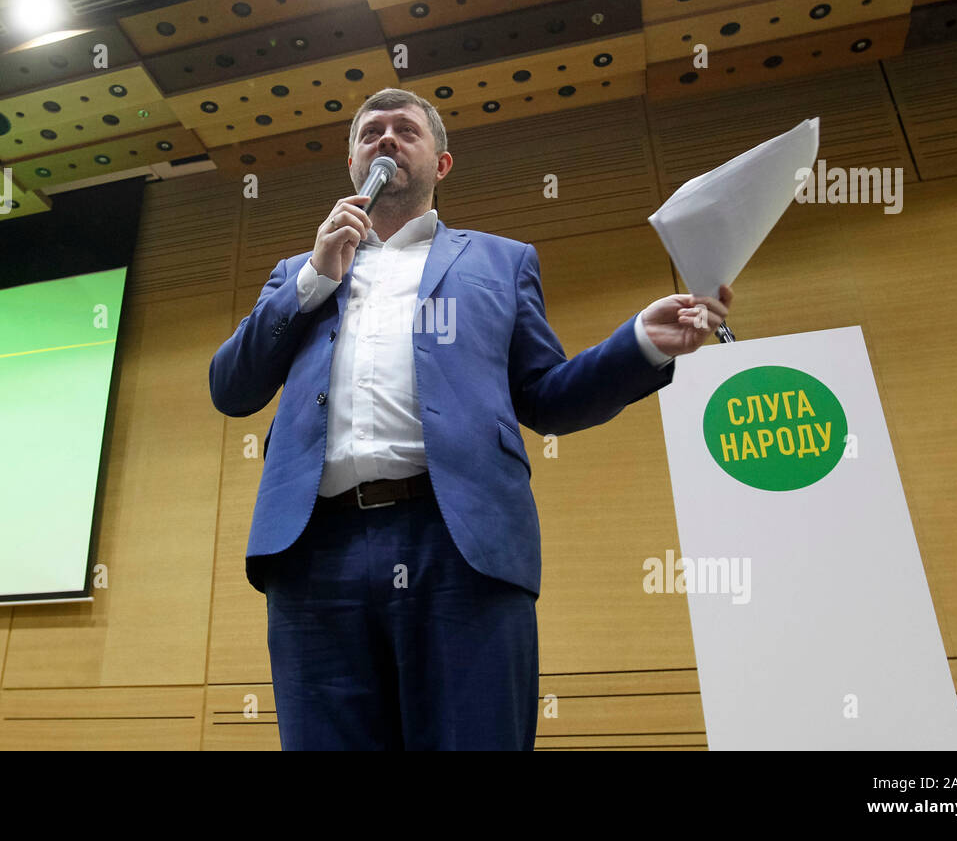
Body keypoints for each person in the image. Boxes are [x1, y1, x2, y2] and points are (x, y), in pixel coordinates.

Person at [209, 87, 732, 750]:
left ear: (443, 163)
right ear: (351, 162)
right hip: (316, 555)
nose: (386, 140)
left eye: (406, 130)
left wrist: (641, 345)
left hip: (461, 547)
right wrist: (315, 275)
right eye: (371, 133)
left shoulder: (500, 261)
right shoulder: (298, 273)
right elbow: (231, 389)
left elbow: (547, 398)